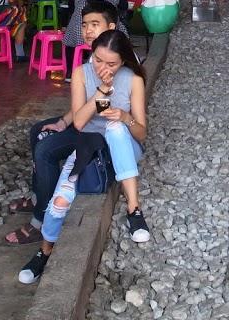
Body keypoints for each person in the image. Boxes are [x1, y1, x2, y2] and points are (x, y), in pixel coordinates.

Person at [18, 29, 149, 284]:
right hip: (89, 148)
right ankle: (44, 251)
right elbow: (79, 122)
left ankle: (134, 210)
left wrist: (125, 117)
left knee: (115, 129)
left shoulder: (133, 80)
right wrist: (102, 90)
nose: (102, 66)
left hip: (124, 148)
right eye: (98, 59)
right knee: (58, 204)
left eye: (111, 63)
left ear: (123, 61)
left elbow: (141, 133)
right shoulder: (81, 73)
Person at [5, 1, 119, 245]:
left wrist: (81, 115)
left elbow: (108, 106)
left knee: (46, 149)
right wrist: (64, 121)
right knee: (39, 130)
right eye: (85, 25)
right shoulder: (93, 59)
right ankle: (39, 197)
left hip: (101, 134)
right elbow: (84, 103)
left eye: (95, 25)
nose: (88, 31)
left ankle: (40, 221)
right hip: (85, 123)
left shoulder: (117, 61)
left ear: (111, 27)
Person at [63, 0, 121, 79]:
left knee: (69, 39)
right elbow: (121, 6)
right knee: (121, 31)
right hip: (105, 33)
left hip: (80, 31)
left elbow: (72, 4)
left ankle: (69, 73)